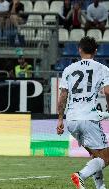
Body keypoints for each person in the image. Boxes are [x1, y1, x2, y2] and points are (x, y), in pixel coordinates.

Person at [57, 36, 109, 189]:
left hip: (71, 121)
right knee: (106, 156)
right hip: (89, 119)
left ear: (79, 49)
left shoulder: (68, 69)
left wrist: (60, 119)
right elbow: (107, 91)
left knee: (96, 155)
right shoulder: (102, 68)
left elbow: (63, 96)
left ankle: (100, 187)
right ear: (96, 51)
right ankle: (81, 176)